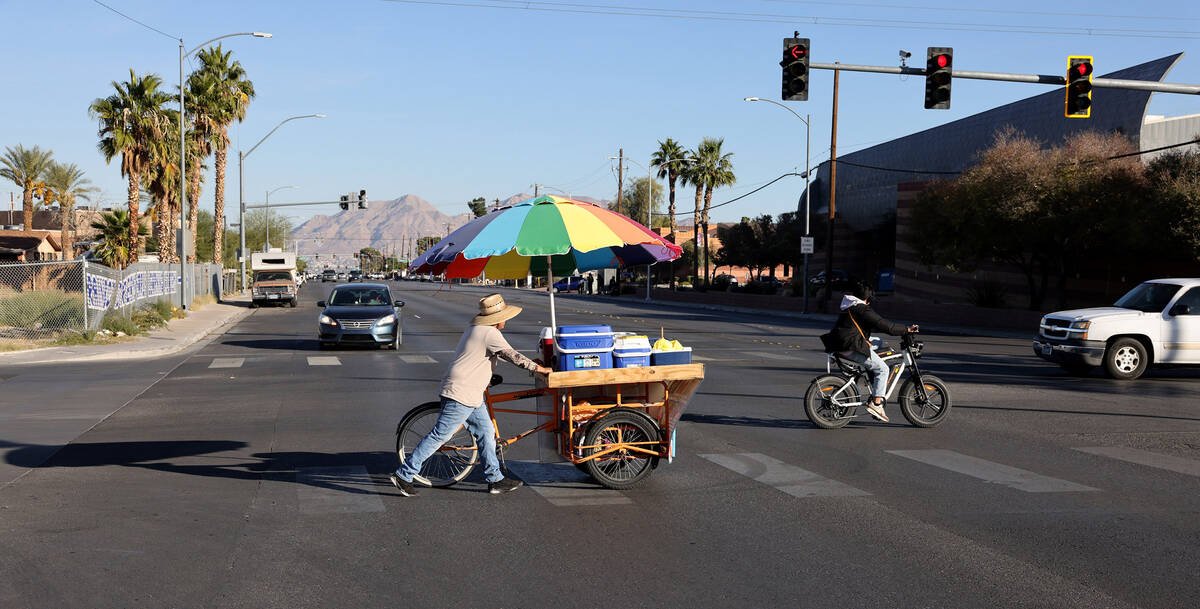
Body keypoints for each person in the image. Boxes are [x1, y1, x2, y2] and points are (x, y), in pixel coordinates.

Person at [390, 294, 552, 496]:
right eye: (504, 317)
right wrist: (539, 368)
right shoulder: (490, 333)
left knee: (486, 432)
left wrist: (530, 364)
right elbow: (511, 355)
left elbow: (487, 356)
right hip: (462, 392)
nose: (506, 321)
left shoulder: (477, 329)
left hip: (470, 393)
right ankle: (404, 474)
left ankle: (495, 480)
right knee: (440, 435)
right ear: (497, 318)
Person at [825, 282, 918, 423]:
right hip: (851, 345)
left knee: (877, 342)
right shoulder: (862, 309)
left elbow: (874, 326)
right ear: (867, 299)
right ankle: (876, 404)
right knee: (883, 369)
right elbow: (884, 325)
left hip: (840, 343)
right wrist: (906, 329)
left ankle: (872, 378)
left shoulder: (850, 307)